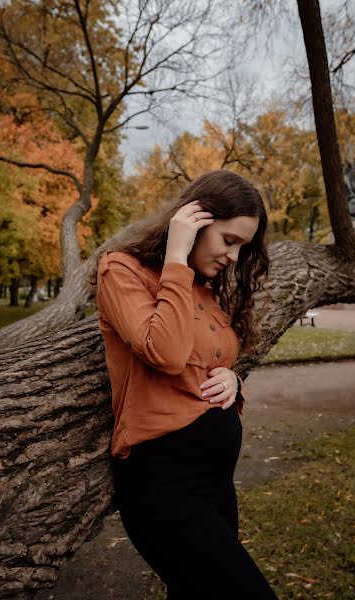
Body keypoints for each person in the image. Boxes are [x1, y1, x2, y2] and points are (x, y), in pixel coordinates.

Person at [95, 170, 279, 599]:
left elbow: (216, 355)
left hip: (215, 485)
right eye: (229, 240)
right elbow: (167, 352)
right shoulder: (122, 271)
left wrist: (233, 379)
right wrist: (176, 258)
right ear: (193, 221)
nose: (234, 257)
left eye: (243, 247)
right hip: (163, 485)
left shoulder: (203, 288)